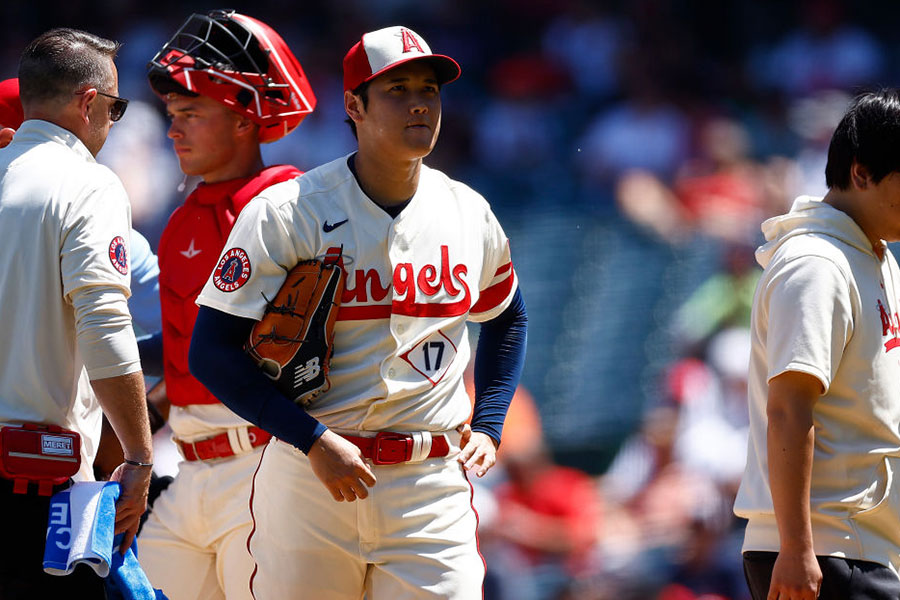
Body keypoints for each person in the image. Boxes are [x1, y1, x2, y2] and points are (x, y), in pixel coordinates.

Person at [190, 25, 527, 599]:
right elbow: (211, 351)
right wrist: (311, 438)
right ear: (354, 105)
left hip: (429, 483)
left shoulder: (469, 213)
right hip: (310, 477)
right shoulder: (289, 212)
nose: (420, 101)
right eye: (397, 89)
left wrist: (491, 423)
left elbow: (507, 317)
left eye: (430, 88)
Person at [136, 10, 315, 600]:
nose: (173, 130)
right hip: (188, 468)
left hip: (264, 462)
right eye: (172, 115)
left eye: (191, 114)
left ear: (243, 121)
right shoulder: (185, 213)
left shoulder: (289, 205)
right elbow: (190, 344)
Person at [0, 28, 153, 597]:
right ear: (89, 102)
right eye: (114, 107)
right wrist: (138, 456)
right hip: (33, 484)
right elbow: (105, 326)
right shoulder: (88, 184)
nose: (112, 122)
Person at [734, 89, 900, 599]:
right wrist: (797, 548)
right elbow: (788, 409)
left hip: (861, 547)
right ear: (861, 172)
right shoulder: (816, 264)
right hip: (826, 552)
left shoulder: (877, 257)